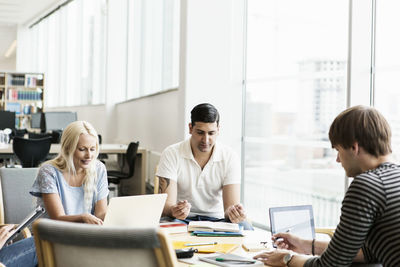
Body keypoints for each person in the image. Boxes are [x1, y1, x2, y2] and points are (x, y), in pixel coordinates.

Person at [254, 105, 400, 266]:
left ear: (354, 147)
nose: (338, 160)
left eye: (338, 150)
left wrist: (286, 258)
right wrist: (306, 245)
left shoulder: (368, 185)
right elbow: (369, 253)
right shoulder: (392, 179)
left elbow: (331, 265)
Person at [156, 103, 251, 229]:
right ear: (190, 128)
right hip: (182, 220)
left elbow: (229, 208)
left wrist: (234, 214)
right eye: (200, 132)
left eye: (211, 133)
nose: (205, 140)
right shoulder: (171, 153)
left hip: (218, 220)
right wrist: (174, 210)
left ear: (218, 130)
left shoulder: (230, 156)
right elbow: (164, 205)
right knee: (159, 230)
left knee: (245, 227)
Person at [30, 121, 108, 224]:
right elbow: (57, 218)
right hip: (50, 235)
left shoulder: (99, 169)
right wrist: (83, 217)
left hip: (85, 235)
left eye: (92, 149)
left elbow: (100, 214)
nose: (89, 155)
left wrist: (117, 214)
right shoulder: (48, 171)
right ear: (67, 148)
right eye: (82, 149)